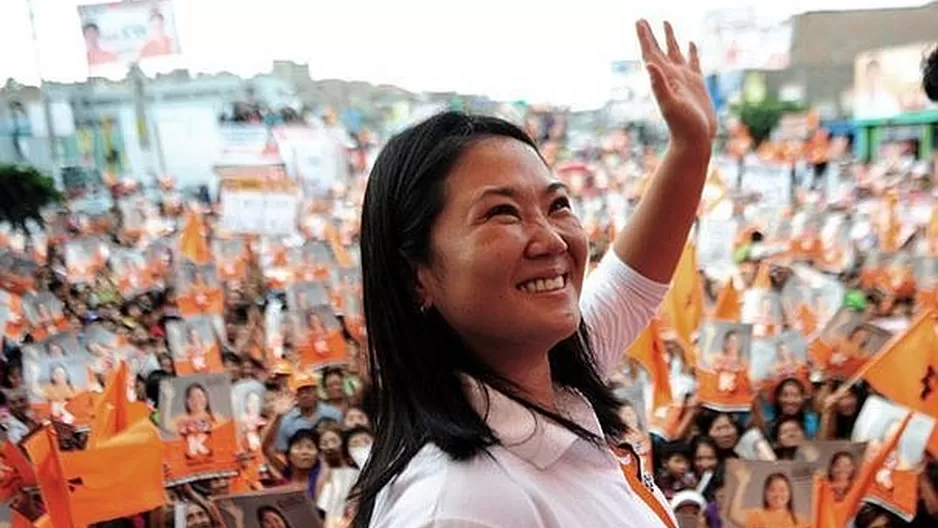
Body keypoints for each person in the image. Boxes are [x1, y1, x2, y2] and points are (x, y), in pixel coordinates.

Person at [352, 20, 716, 527]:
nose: (550, 239)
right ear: (417, 276)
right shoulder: (457, 507)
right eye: (502, 213)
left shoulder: (552, 383)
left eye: (557, 204)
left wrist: (692, 146)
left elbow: (632, 284)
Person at [273, 374, 343, 454]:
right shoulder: (285, 421)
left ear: (316, 392)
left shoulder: (334, 414)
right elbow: (282, 451)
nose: (304, 395)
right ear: (294, 396)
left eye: (308, 391)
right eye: (299, 392)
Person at [729, 469, 806, 528]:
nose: (777, 494)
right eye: (772, 490)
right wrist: (742, 482)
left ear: (790, 493)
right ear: (765, 493)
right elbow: (734, 514)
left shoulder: (801, 521)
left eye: (782, 490)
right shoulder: (757, 516)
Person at [171, 383, 219, 460]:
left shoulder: (218, 419)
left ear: (205, 398)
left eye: (200, 396)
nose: (196, 401)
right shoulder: (178, 421)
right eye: (192, 398)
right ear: (187, 401)